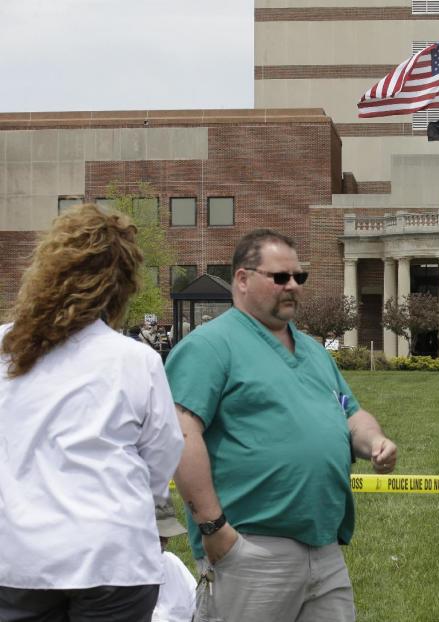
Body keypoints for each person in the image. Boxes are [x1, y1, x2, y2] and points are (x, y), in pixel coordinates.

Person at [165, 229, 398, 622]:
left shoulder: (313, 351)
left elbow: (351, 413)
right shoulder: (209, 346)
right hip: (248, 550)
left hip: (325, 551)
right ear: (242, 279)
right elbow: (181, 433)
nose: (293, 286)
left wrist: (374, 440)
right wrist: (215, 530)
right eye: (280, 277)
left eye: (299, 277)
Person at [0, 204, 183, 621]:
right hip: (114, 559)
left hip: (20, 560)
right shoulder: (135, 360)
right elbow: (161, 457)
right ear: (121, 285)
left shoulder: (4, 350)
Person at [153, 502, 197, 622]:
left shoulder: (172, 562)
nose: (165, 541)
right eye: (159, 536)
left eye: (165, 536)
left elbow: (198, 606)